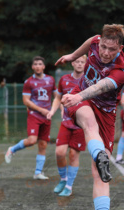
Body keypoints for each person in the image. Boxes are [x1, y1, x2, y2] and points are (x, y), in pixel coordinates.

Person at [55, 24, 124, 210]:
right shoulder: (97, 41)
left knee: (99, 175)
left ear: (120, 47)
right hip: (83, 99)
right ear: (102, 42)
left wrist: (79, 97)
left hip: (105, 112)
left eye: (112, 50)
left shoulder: (123, 69)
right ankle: (100, 155)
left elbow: (100, 88)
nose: (106, 53)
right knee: (88, 122)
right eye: (104, 47)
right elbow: (90, 41)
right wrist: (72, 55)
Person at [5, 56, 57, 179]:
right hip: (34, 115)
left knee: (43, 144)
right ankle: (12, 149)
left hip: (47, 117)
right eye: (35, 64)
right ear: (32, 67)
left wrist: (55, 109)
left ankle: (38, 173)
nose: (38, 66)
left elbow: (57, 97)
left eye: (40, 64)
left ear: (43, 66)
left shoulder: (50, 80)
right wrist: (41, 110)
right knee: (32, 140)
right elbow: (26, 101)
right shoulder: (29, 82)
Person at [46, 55, 87, 196]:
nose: (80, 64)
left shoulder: (89, 81)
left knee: (73, 155)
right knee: (59, 153)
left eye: (82, 62)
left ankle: (69, 186)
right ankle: (63, 179)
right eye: (77, 61)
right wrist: (52, 111)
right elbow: (58, 97)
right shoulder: (64, 79)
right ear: (72, 63)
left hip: (81, 125)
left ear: (86, 63)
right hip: (66, 122)